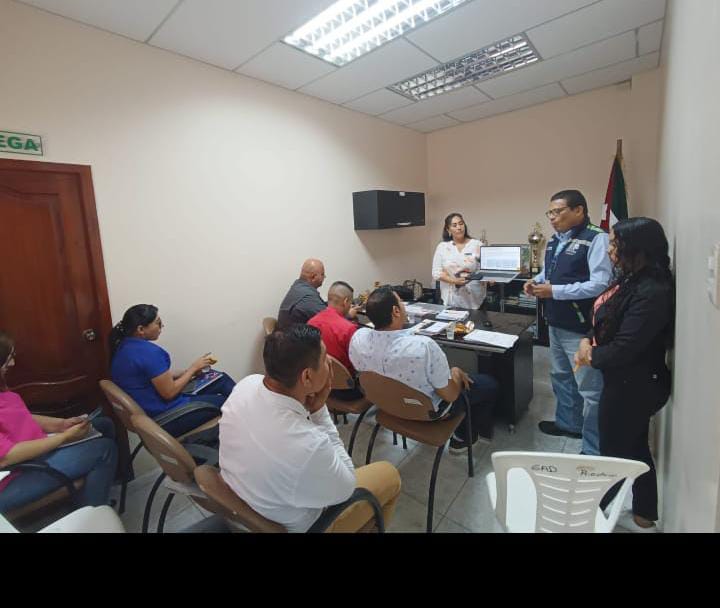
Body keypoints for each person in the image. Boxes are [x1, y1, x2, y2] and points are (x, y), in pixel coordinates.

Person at [219, 325, 401, 533]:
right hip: (304, 526)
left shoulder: (245, 385)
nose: (330, 362)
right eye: (324, 358)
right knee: (389, 474)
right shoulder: (309, 444)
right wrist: (319, 412)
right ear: (306, 377)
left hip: (243, 504)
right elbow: (346, 486)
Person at [574, 218, 673, 532]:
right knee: (634, 445)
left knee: (614, 454)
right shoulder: (629, 277)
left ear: (638, 248)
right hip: (623, 379)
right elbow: (604, 314)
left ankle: (591, 514)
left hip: (635, 384)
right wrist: (587, 339)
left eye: (616, 244)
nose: (610, 250)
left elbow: (625, 348)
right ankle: (644, 511)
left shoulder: (653, 291)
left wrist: (590, 356)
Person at [349, 286, 499, 453]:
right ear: (396, 311)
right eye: (401, 302)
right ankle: (464, 437)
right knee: (488, 384)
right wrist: (455, 373)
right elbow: (450, 395)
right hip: (427, 412)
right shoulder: (423, 346)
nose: (404, 305)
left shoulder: (358, 338)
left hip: (386, 404)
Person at [524, 190, 612, 455]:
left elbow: (600, 284)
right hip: (556, 321)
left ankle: (594, 448)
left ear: (579, 210)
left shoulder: (596, 238)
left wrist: (554, 291)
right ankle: (569, 424)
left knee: (589, 388)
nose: (552, 218)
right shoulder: (555, 240)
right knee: (561, 376)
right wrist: (536, 281)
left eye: (558, 211)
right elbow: (549, 272)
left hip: (582, 328)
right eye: (549, 213)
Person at [0, 331, 118, 514]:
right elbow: (7, 457)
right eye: (7, 360)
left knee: (103, 425)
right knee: (105, 450)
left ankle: (91, 497)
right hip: (14, 475)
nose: (13, 364)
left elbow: (20, 416)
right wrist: (64, 437)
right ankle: (91, 516)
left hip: (33, 454)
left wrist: (61, 424)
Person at [109, 304, 235, 437]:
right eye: (158, 323)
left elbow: (154, 376)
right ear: (141, 329)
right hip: (168, 415)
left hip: (155, 406)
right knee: (229, 403)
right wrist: (193, 368)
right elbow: (169, 393)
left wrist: (188, 372)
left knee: (220, 379)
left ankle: (248, 409)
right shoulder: (148, 352)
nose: (161, 326)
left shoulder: (124, 346)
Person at [308, 281, 363, 400]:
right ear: (346, 301)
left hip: (318, 385)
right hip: (346, 390)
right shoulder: (348, 329)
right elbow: (358, 363)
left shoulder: (311, 322)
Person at [432, 212, 490, 309]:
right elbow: (436, 273)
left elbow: (486, 269)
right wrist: (454, 281)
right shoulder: (442, 247)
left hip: (474, 298)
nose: (459, 227)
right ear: (448, 229)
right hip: (451, 299)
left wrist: (490, 278)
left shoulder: (477, 245)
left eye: (461, 223)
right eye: (454, 225)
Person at [277, 259, 327, 329]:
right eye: (322, 274)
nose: (324, 277)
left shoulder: (298, 286)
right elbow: (329, 318)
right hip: (293, 335)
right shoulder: (308, 297)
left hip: (288, 332)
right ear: (313, 277)